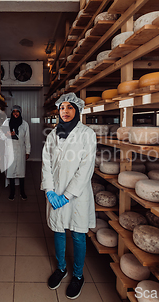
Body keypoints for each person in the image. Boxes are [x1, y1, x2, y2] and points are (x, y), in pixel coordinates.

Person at [41, 93, 96, 300]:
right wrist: (49, 190)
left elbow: (86, 167)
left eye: (69, 108)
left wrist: (68, 195)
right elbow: (46, 163)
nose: (65, 111)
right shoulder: (53, 134)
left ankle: (78, 275)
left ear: (77, 110)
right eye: (62, 108)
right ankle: (62, 268)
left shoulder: (87, 134)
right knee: (58, 230)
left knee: (78, 234)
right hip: (55, 191)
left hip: (77, 195)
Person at [0, 105, 31, 200]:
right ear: (11, 113)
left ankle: (22, 191)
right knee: (11, 172)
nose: (15, 113)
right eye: (14, 111)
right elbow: (0, 136)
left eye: (17, 111)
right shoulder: (7, 122)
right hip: (10, 150)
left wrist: (27, 151)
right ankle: (12, 192)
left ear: (20, 113)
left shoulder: (25, 124)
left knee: (21, 173)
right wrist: (7, 134)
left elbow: (27, 139)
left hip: (20, 150)